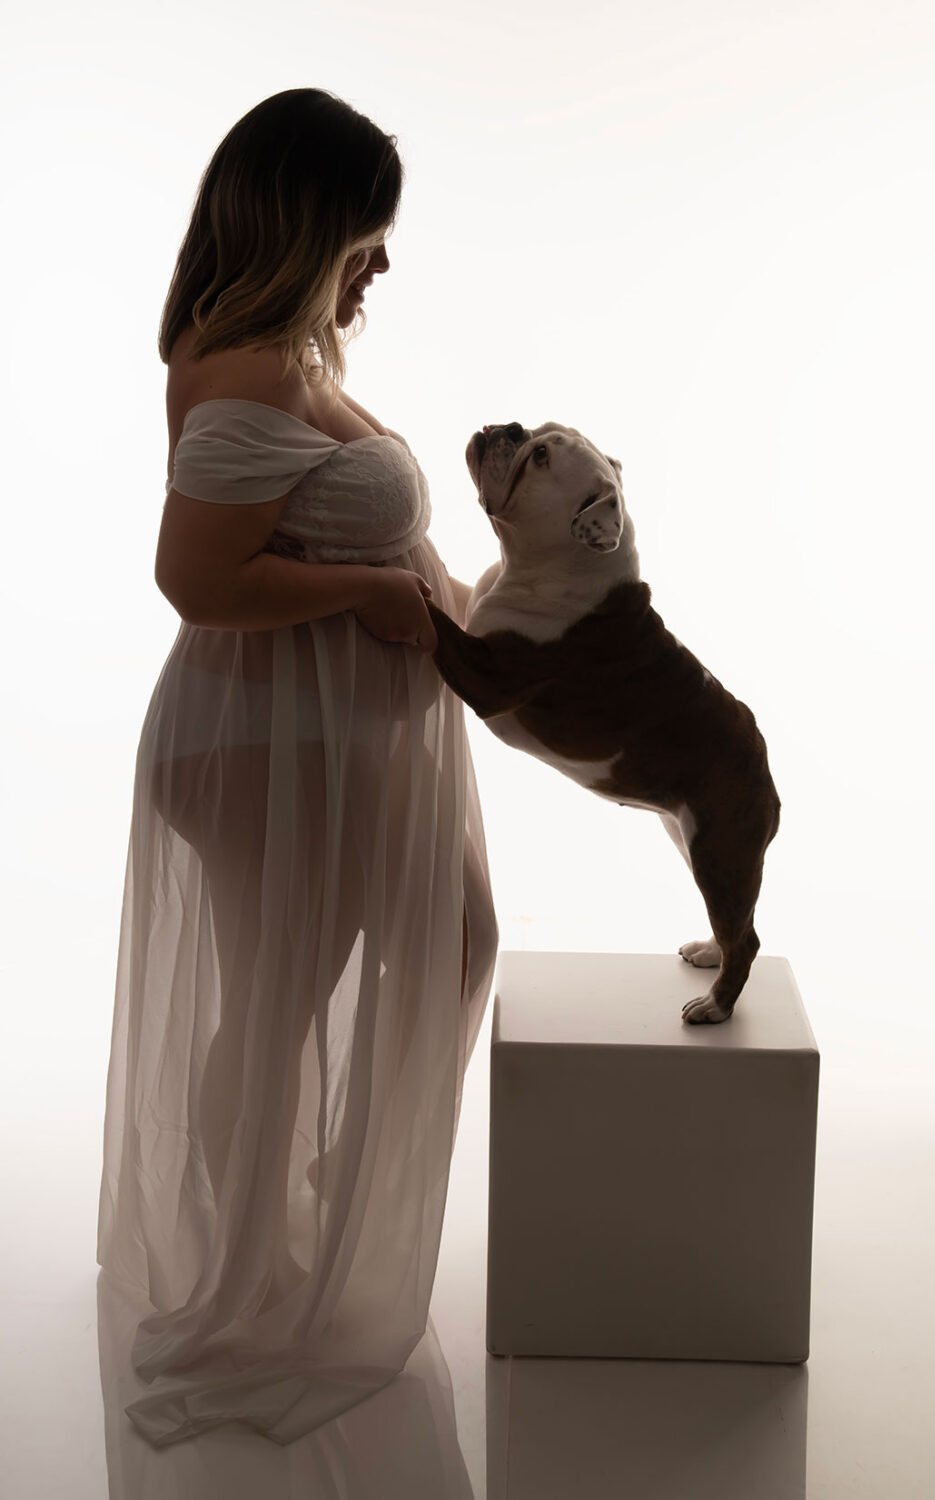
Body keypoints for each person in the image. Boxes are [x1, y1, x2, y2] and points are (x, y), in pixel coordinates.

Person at [96, 87, 499, 1448]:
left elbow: (339, 533)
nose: (380, 261)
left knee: (400, 960)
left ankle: (288, 1217)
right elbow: (197, 579)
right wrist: (371, 599)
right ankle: (257, 1264)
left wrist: (463, 615)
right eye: (365, 235)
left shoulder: (290, 358)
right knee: (290, 999)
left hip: (307, 738)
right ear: (308, 225)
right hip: (263, 742)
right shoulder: (249, 371)